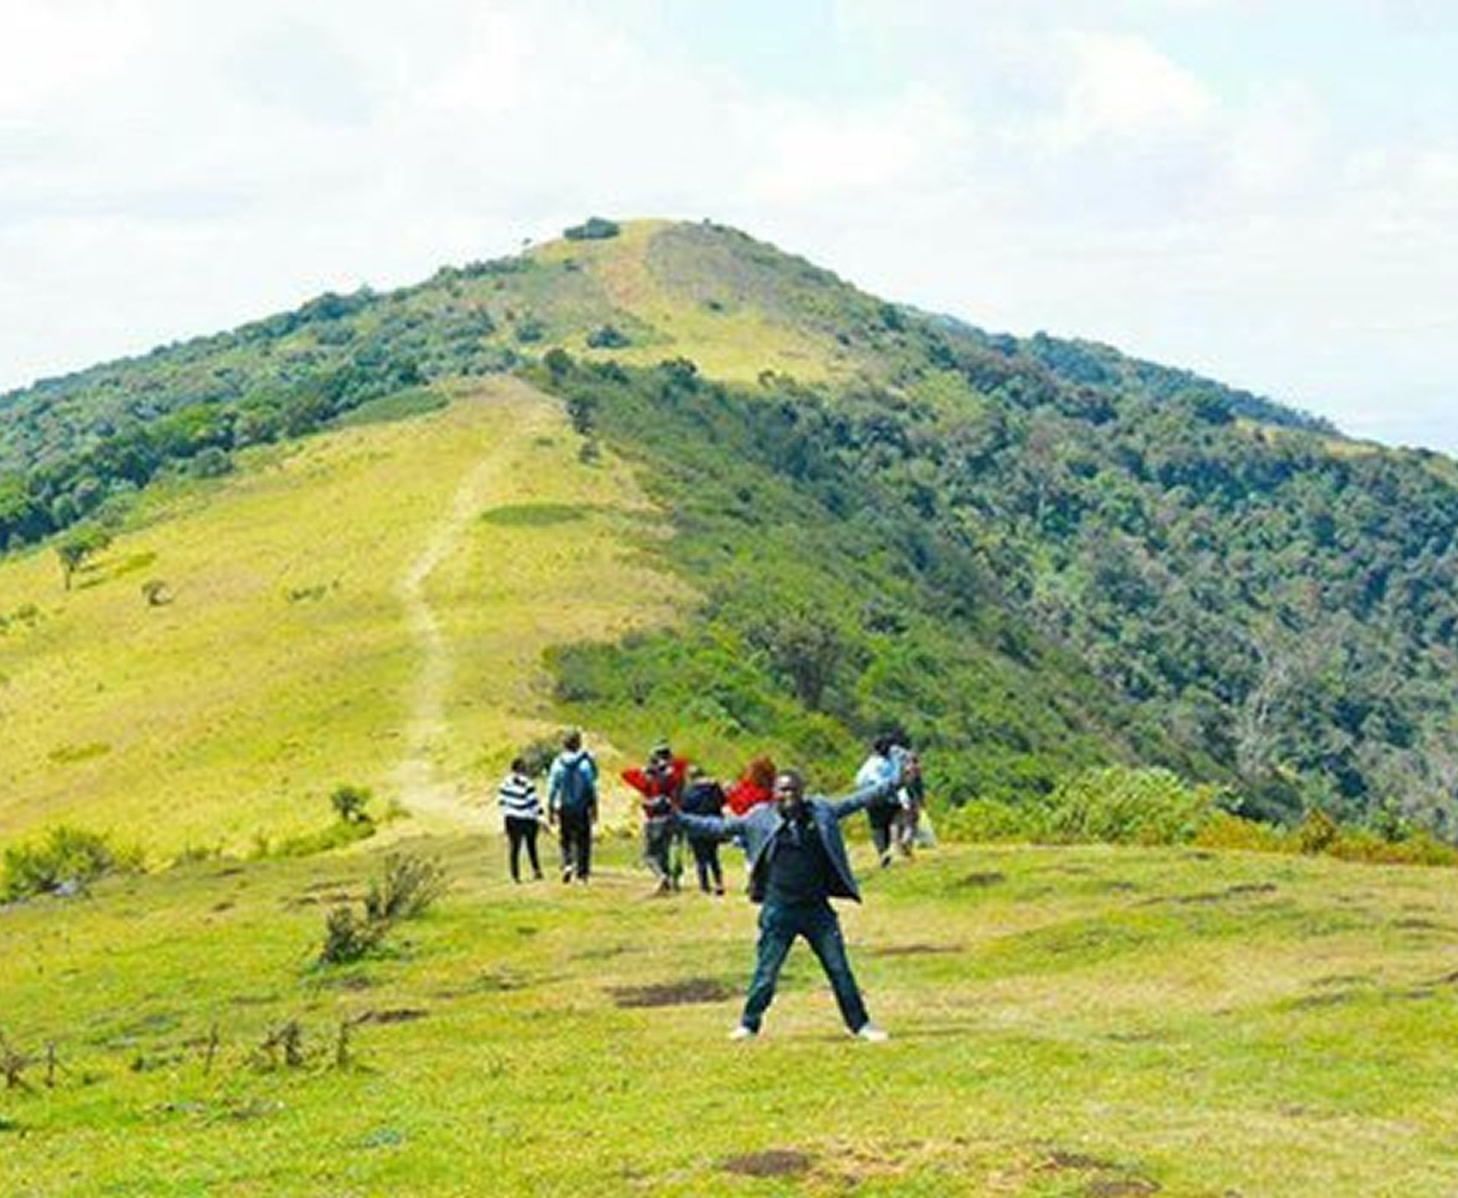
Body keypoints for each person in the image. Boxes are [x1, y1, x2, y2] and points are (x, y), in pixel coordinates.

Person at [675, 766, 899, 1042]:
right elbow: (718, 827)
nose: (788, 795)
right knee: (766, 973)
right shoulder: (759, 818)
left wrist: (898, 781)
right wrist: (676, 818)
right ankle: (749, 1024)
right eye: (782, 790)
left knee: (839, 970)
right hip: (779, 909)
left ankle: (860, 1025)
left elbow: (860, 799)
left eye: (793, 789)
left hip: (817, 910)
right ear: (773, 794)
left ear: (802, 792)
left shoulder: (821, 812)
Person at [622, 741, 688, 894]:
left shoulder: (651, 775)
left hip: (655, 817)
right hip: (674, 815)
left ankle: (662, 877)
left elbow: (627, 774)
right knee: (667, 851)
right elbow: (682, 764)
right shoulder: (676, 773)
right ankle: (670, 882)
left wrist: (646, 770)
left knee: (649, 855)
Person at [547, 729, 598, 883]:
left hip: (564, 806)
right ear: (578, 743)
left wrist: (550, 807)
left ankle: (567, 864)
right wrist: (594, 807)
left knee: (565, 838)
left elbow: (552, 787)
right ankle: (582, 873)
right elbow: (591, 785)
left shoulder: (557, 763)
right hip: (581, 807)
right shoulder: (584, 763)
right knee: (583, 840)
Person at [679, 765, 727, 895]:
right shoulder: (714, 788)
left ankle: (705, 886)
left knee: (700, 859)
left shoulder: (687, 791)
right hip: (713, 825)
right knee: (713, 856)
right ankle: (718, 883)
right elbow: (723, 801)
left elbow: (683, 808)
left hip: (696, 828)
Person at [855, 735, 900, 868]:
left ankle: (883, 853)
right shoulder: (886, 762)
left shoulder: (870, 763)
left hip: (871, 797)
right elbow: (894, 779)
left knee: (878, 827)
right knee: (889, 823)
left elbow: (859, 780)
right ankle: (889, 850)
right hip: (884, 796)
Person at [497, 756, 544, 883]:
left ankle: (515, 875)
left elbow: (501, 802)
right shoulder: (528, 783)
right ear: (522, 768)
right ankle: (536, 870)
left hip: (511, 818)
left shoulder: (504, 783)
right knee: (531, 846)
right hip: (527, 818)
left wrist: (507, 812)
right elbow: (533, 802)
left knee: (514, 848)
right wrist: (540, 816)